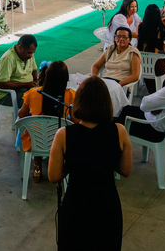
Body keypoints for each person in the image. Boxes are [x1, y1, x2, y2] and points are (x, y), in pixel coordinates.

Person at [48, 76, 132, 251]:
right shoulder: (119, 131)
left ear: (78, 102)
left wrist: (73, 162)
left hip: (76, 205)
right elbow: (125, 170)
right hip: (107, 205)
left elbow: (54, 176)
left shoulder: (63, 134)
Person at [115, 52, 165, 143]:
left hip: (154, 130)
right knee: (126, 109)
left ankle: (120, 148)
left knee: (112, 123)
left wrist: (155, 106)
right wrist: (158, 106)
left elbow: (144, 105)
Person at [17, 60, 74, 182]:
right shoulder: (70, 96)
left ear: (46, 77)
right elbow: (75, 120)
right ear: (66, 79)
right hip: (61, 141)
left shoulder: (32, 93)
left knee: (36, 126)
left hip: (36, 140)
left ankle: (37, 166)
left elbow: (21, 114)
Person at [0, 34, 38, 108]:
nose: (31, 56)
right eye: (29, 53)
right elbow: (2, 84)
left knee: (47, 94)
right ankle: (26, 118)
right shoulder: (8, 59)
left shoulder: (29, 55)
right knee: (36, 101)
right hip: (8, 95)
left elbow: (34, 70)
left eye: (32, 53)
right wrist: (26, 85)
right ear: (20, 48)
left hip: (26, 89)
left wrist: (36, 81)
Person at [135, 4, 165, 87]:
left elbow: (139, 41)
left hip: (142, 64)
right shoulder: (162, 28)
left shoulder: (140, 26)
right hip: (158, 66)